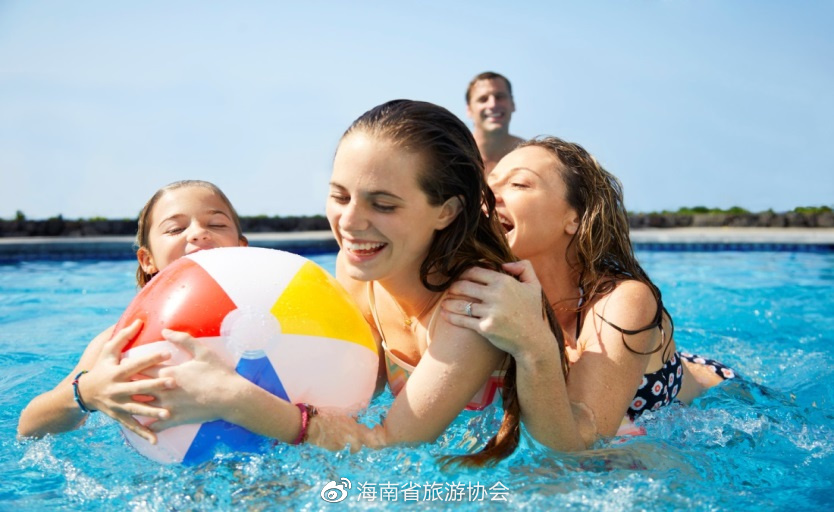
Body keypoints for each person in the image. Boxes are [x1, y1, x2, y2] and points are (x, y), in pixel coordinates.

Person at [140, 100, 566, 464]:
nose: (350, 222)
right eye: (340, 196)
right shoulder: (357, 268)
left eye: (382, 204)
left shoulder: (474, 309)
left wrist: (235, 398)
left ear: (447, 211)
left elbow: (386, 446)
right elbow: (347, 394)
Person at [442, 137, 736, 451]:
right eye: (487, 185)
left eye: (519, 184)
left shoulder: (624, 301)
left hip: (722, 403)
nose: (487, 196)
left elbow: (584, 441)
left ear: (575, 218)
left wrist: (531, 343)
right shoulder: (483, 288)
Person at [17, 180, 249, 441]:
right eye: (175, 229)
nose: (198, 233)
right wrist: (86, 393)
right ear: (147, 260)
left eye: (216, 224)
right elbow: (28, 429)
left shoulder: (275, 318)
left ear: (242, 248)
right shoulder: (122, 339)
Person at [465, 71, 524, 176]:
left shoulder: (528, 156)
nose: (492, 104)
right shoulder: (455, 155)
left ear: (513, 104)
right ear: (469, 110)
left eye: (499, 97)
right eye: (483, 99)